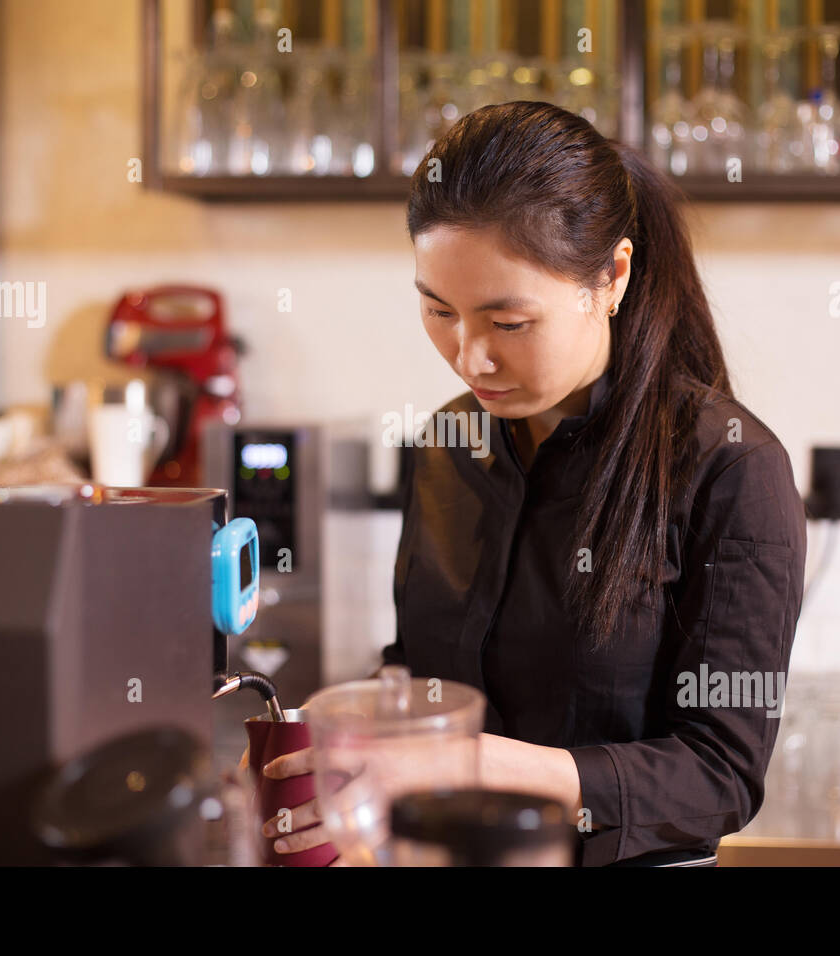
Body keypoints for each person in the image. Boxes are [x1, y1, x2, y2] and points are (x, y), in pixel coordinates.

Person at [258, 100, 807, 867]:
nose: (469, 357)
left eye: (508, 323)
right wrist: (364, 718)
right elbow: (422, 664)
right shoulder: (448, 441)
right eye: (437, 309)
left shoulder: (730, 469)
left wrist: (467, 762)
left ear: (611, 277)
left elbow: (718, 776)